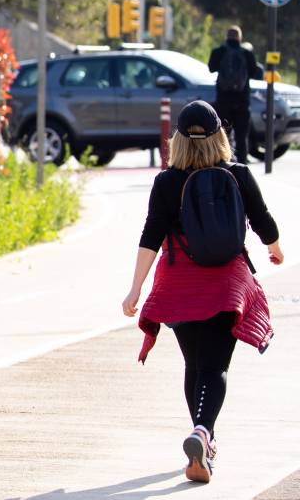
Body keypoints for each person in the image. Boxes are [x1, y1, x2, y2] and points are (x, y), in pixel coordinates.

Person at [121, 100, 283, 484]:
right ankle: (203, 433)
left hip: (177, 285)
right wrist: (274, 249)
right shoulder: (238, 174)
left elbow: (151, 236)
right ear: (219, 136)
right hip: (226, 285)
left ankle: (201, 441)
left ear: (177, 140)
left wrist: (135, 288)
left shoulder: (167, 182)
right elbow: (262, 220)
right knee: (215, 367)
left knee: (194, 365)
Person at [207, 26, 264, 164]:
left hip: (223, 101)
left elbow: (211, 68)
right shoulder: (247, 53)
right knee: (241, 138)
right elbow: (254, 72)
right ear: (240, 37)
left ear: (226, 37)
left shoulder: (219, 51)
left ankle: (224, 164)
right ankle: (242, 166)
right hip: (242, 102)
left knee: (223, 136)